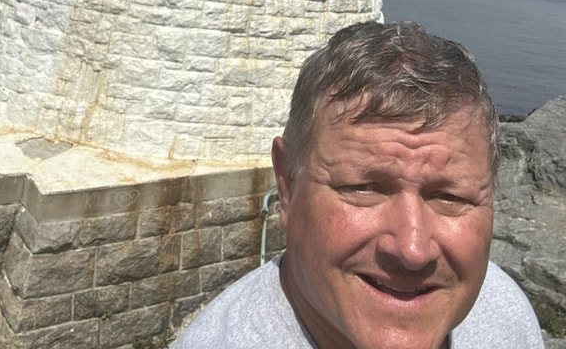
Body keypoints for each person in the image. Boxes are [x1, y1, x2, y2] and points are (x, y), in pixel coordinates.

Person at [173, 21, 543, 349]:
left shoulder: (503, 312)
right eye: (363, 188)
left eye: (450, 196)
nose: (413, 250)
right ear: (287, 186)